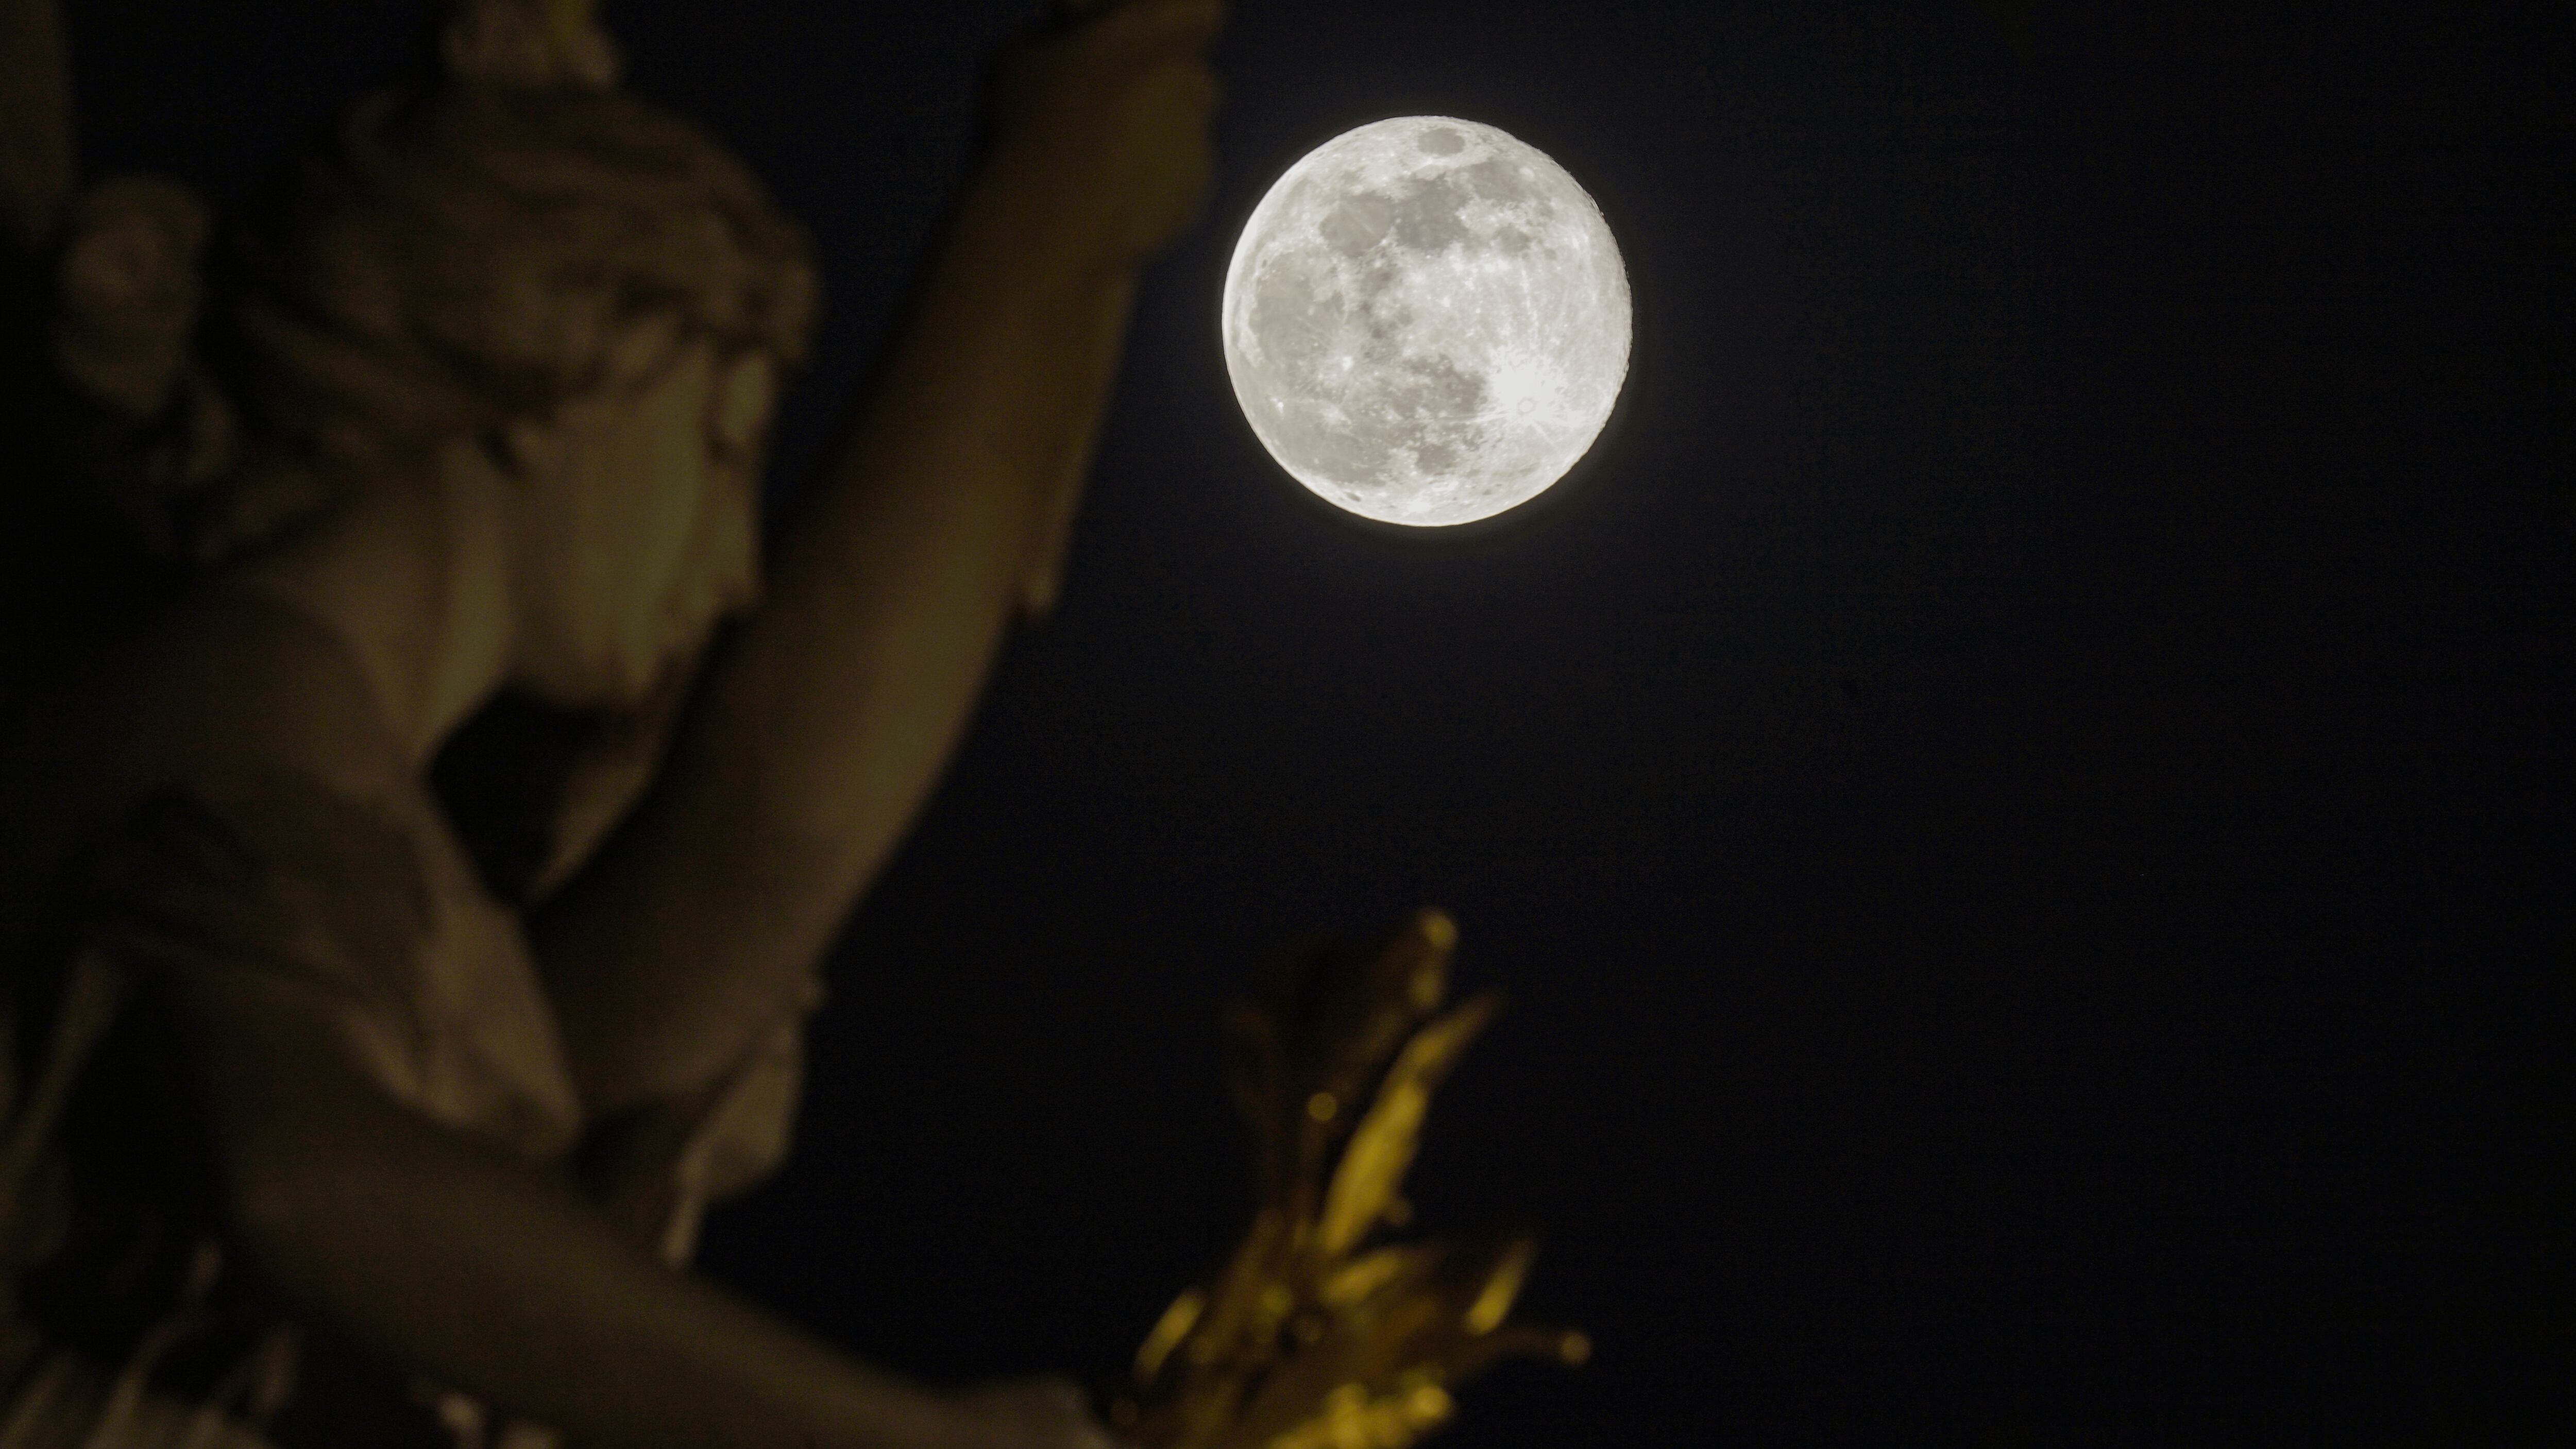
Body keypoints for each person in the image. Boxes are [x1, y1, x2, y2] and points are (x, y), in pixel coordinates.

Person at [0, 0, 1225, 1443]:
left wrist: (1062, 213)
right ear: (560, 361)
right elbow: (311, 1181)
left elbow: (734, 894)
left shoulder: (341, 772)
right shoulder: (242, 682)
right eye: (718, 451)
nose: (732, 564)